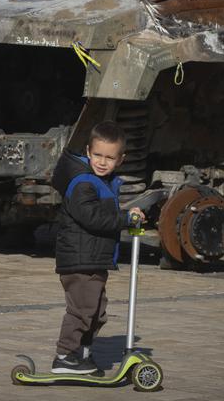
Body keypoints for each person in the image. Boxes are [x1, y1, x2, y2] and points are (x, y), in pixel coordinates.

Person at [48, 120, 145, 374]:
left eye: (109, 158)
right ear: (89, 152)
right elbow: (93, 218)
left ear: (120, 159)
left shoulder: (103, 183)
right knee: (82, 310)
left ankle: (83, 354)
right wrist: (125, 219)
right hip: (79, 262)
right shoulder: (83, 183)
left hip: (93, 260)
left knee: (97, 312)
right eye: (98, 155)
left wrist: (128, 214)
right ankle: (65, 356)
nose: (102, 162)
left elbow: (102, 213)